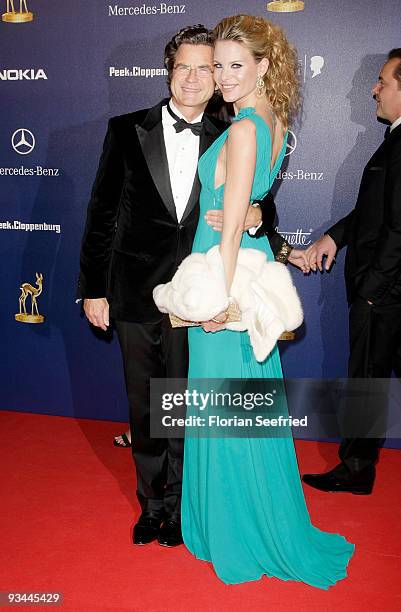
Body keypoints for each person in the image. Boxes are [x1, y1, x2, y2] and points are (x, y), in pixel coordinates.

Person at [79, 25, 304, 548]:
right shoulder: (126, 128)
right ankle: (150, 505)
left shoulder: (234, 124)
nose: (199, 78)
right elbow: (101, 214)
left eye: (210, 67)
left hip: (200, 291)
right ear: (169, 71)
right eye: (187, 67)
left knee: (188, 406)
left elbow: (254, 197)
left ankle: (182, 509)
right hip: (135, 290)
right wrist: (93, 288)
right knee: (145, 407)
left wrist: (255, 216)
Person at [179, 14, 354, 588]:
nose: (224, 77)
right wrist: (251, 213)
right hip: (237, 271)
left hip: (223, 278)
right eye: (218, 66)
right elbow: (249, 208)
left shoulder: (247, 129)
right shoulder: (270, 120)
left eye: (236, 65)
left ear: (263, 65)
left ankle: (235, 532)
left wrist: (214, 302)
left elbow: (229, 232)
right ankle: (235, 522)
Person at [302, 49, 401, 494]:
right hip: (384, 288)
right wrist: (335, 237)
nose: (374, 89)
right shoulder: (394, 141)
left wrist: (372, 289)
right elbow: (373, 212)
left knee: (366, 379)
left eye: (383, 81)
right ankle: (358, 466)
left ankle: (357, 468)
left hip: (385, 292)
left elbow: (399, 228)